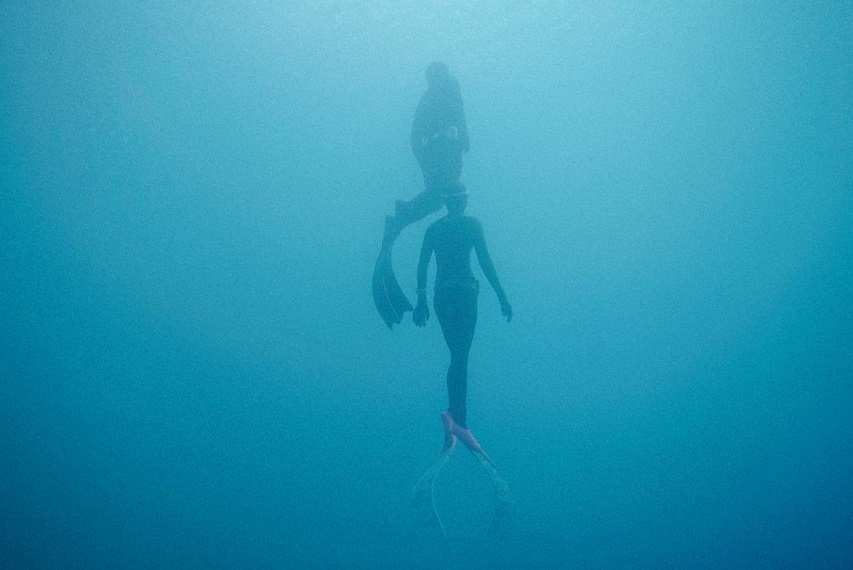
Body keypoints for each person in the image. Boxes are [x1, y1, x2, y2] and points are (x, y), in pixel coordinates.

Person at [413, 190, 511, 457]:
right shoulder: (471, 224)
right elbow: (485, 261)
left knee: (456, 356)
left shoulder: (434, 228)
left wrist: (421, 301)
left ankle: (454, 417)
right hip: (465, 293)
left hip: (442, 295)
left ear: (446, 202)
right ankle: (459, 421)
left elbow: (422, 266)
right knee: (460, 357)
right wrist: (502, 297)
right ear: (463, 201)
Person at [388, 62, 470, 238]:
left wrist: (463, 139)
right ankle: (401, 217)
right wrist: (426, 160)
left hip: (449, 153)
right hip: (437, 155)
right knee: (438, 197)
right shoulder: (430, 100)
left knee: (441, 196)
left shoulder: (450, 91)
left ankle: (401, 216)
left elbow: (459, 118)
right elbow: (416, 138)